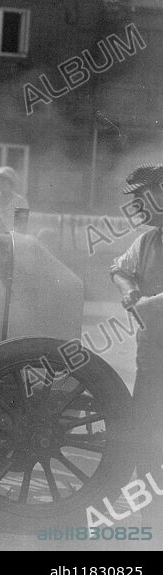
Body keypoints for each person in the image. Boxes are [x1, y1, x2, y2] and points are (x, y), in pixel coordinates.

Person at [108, 165, 163, 525]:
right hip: (153, 354)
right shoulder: (148, 240)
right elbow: (118, 268)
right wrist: (129, 292)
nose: (138, 207)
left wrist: (148, 303)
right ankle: (150, 509)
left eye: (142, 197)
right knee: (145, 426)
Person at [0, 166, 29, 231]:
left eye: (5, 180)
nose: (1, 183)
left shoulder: (21, 202)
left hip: (13, 239)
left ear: (11, 182)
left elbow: (21, 228)